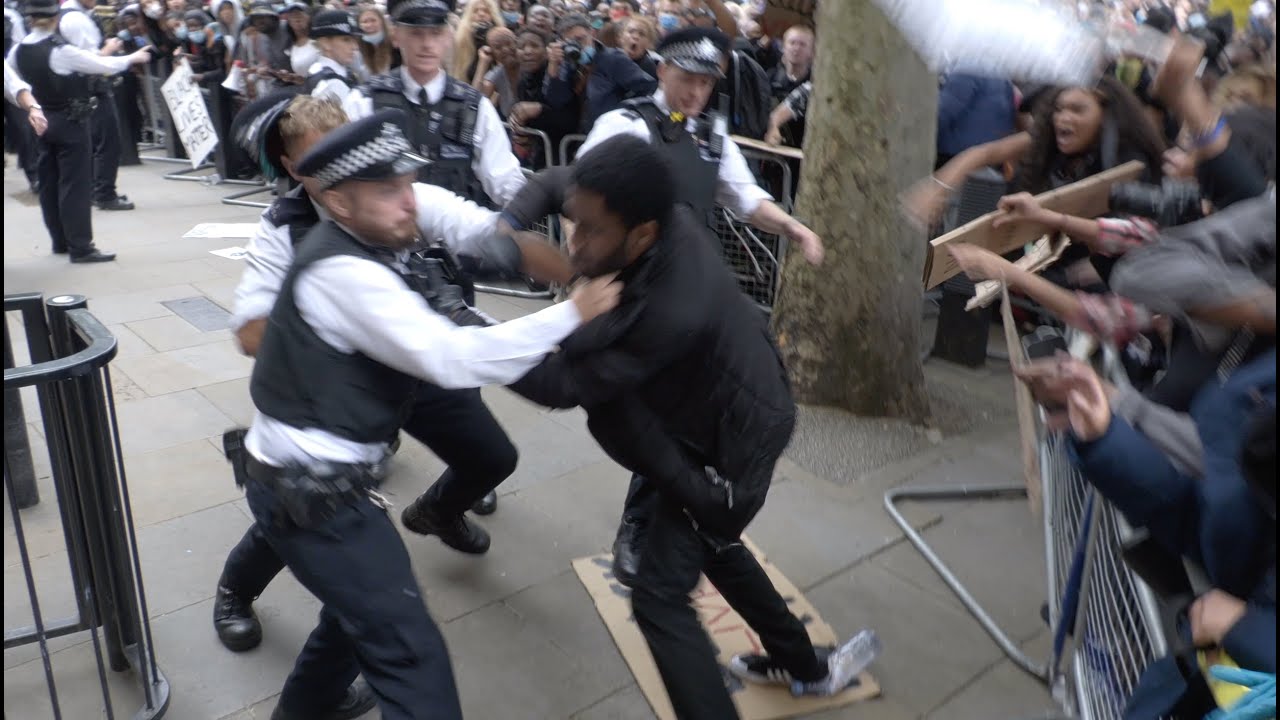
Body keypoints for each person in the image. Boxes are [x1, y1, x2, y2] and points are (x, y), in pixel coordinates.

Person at [229, 108, 619, 719]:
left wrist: (565, 265)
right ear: (337, 201)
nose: (408, 201)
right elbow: (450, 356)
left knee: (356, 612)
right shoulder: (338, 268)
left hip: (325, 478)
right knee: (410, 656)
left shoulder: (380, 225)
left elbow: (483, 232)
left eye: (408, 183)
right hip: (311, 494)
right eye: (388, 190)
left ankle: (309, 707)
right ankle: (240, 599)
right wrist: (574, 312)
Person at [508, 135, 865, 719]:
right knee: (717, 545)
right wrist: (503, 229)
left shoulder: (667, 307)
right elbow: (553, 185)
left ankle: (797, 668)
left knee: (659, 597)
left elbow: (563, 385)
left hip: (728, 444)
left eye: (593, 231)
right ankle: (806, 666)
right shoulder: (636, 203)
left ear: (643, 233)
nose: (575, 241)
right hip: (701, 415)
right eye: (577, 223)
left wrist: (465, 338)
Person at [554, 27, 823, 588]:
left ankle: (661, 521)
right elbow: (577, 200)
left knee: (687, 415)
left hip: (692, 297)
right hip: (634, 294)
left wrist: (794, 227)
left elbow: (745, 197)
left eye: (705, 83)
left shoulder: (712, 134)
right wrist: (580, 275)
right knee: (650, 414)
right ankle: (636, 525)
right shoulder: (625, 125)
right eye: (686, 80)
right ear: (661, 73)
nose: (696, 92)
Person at [343, 0, 525, 208]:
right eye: (416, 33)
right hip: (384, 235)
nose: (427, 44)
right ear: (395, 36)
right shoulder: (364, 101)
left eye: (436, 33)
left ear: (448, 37)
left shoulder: (474, 107)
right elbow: (348, 185)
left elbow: (505, 180)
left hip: (460, 234)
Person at [8, 0, 149, 262]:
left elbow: (14, 81)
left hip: (39, 120)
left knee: (49, 183)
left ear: (29, 19)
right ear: (54, 19)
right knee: (75, 184)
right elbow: (103, 65)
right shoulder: (59, 50)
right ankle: (81, 247)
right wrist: (133, 57)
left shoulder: (18, 50)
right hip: (68, 120)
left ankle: (60, 241)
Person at [56, 0, 134, 210]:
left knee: (94, 143)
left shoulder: (72, 14)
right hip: (91, 89)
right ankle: (105, 194)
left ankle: (95, 191)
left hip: (81, 90)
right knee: (108, 142)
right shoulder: (75, 18)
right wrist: (109, 49)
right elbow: (90, 60)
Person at [543, 12, 656, 133]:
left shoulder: (613, 59)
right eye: (570, 43)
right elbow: (556, 100)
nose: (577, 46)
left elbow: (648, 87)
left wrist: (621, 114)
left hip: (610, 136)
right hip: (580, 139)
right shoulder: (567, 63)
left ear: (592, 33)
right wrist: (553, 66)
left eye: (580, 39)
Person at [304, 9, 359, 103]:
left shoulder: (319, 69)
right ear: (326, 44)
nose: (355, 47)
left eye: (355, 40)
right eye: (346, 40)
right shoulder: (332, 84)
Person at [356, 5, 393, 76]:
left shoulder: (393, 44)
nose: (369, 25)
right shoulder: (357, 49)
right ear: (359, 25)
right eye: (364, 22)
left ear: (381, 21)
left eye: (373, 20)